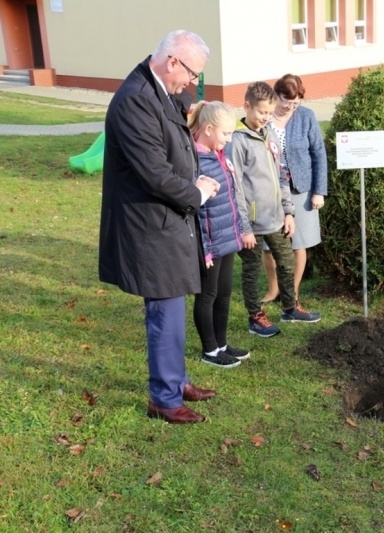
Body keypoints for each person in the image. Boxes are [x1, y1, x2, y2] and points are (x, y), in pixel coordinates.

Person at [99, 30, 218, 424]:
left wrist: (185, 94)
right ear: (172, 62)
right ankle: (164, 399)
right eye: (192, 75)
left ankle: (176, 378)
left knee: (175, 305)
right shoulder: (134, 100)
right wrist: (196, 193)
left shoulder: (161, 89)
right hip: (149, 223)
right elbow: (154, 174)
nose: (192, 84)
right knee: (165, 310)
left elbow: (178, 107)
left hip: (169, 220)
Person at [227, 81, 321, 341]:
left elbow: (281, 176)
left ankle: (290, 308)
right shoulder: (237, 140)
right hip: (251, 224)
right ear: (247, 106)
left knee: (287, 262)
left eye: (269, 113)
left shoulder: (269, 134)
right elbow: (235, 186)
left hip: (277, 217)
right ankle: (255, 317)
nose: (265, 118)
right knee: (252, 269)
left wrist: (289, 212)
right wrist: (244, 227)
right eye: (261, 113)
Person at [188, 101, 249, 369]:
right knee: (208, 295)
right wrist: (205, 249)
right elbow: (194, 211)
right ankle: (209, 350)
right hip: (208, 245)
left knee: (224, 293)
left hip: (227, 238)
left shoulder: (219, 155)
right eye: (226, 133)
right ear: (209, 129)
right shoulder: (194, 160)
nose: (229, 138)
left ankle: (222, 345)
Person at [260, 74, 328, 308]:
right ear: (275, 95)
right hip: (269, 191)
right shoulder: (264, 117)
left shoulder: (306, 117)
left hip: (302, 189)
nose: (289, 107)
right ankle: (274, 288)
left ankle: (294, 292)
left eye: (295, 103)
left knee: (299, 243)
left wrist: (319, 191)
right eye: (285, 101)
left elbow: (319, 154)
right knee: (268, 245)